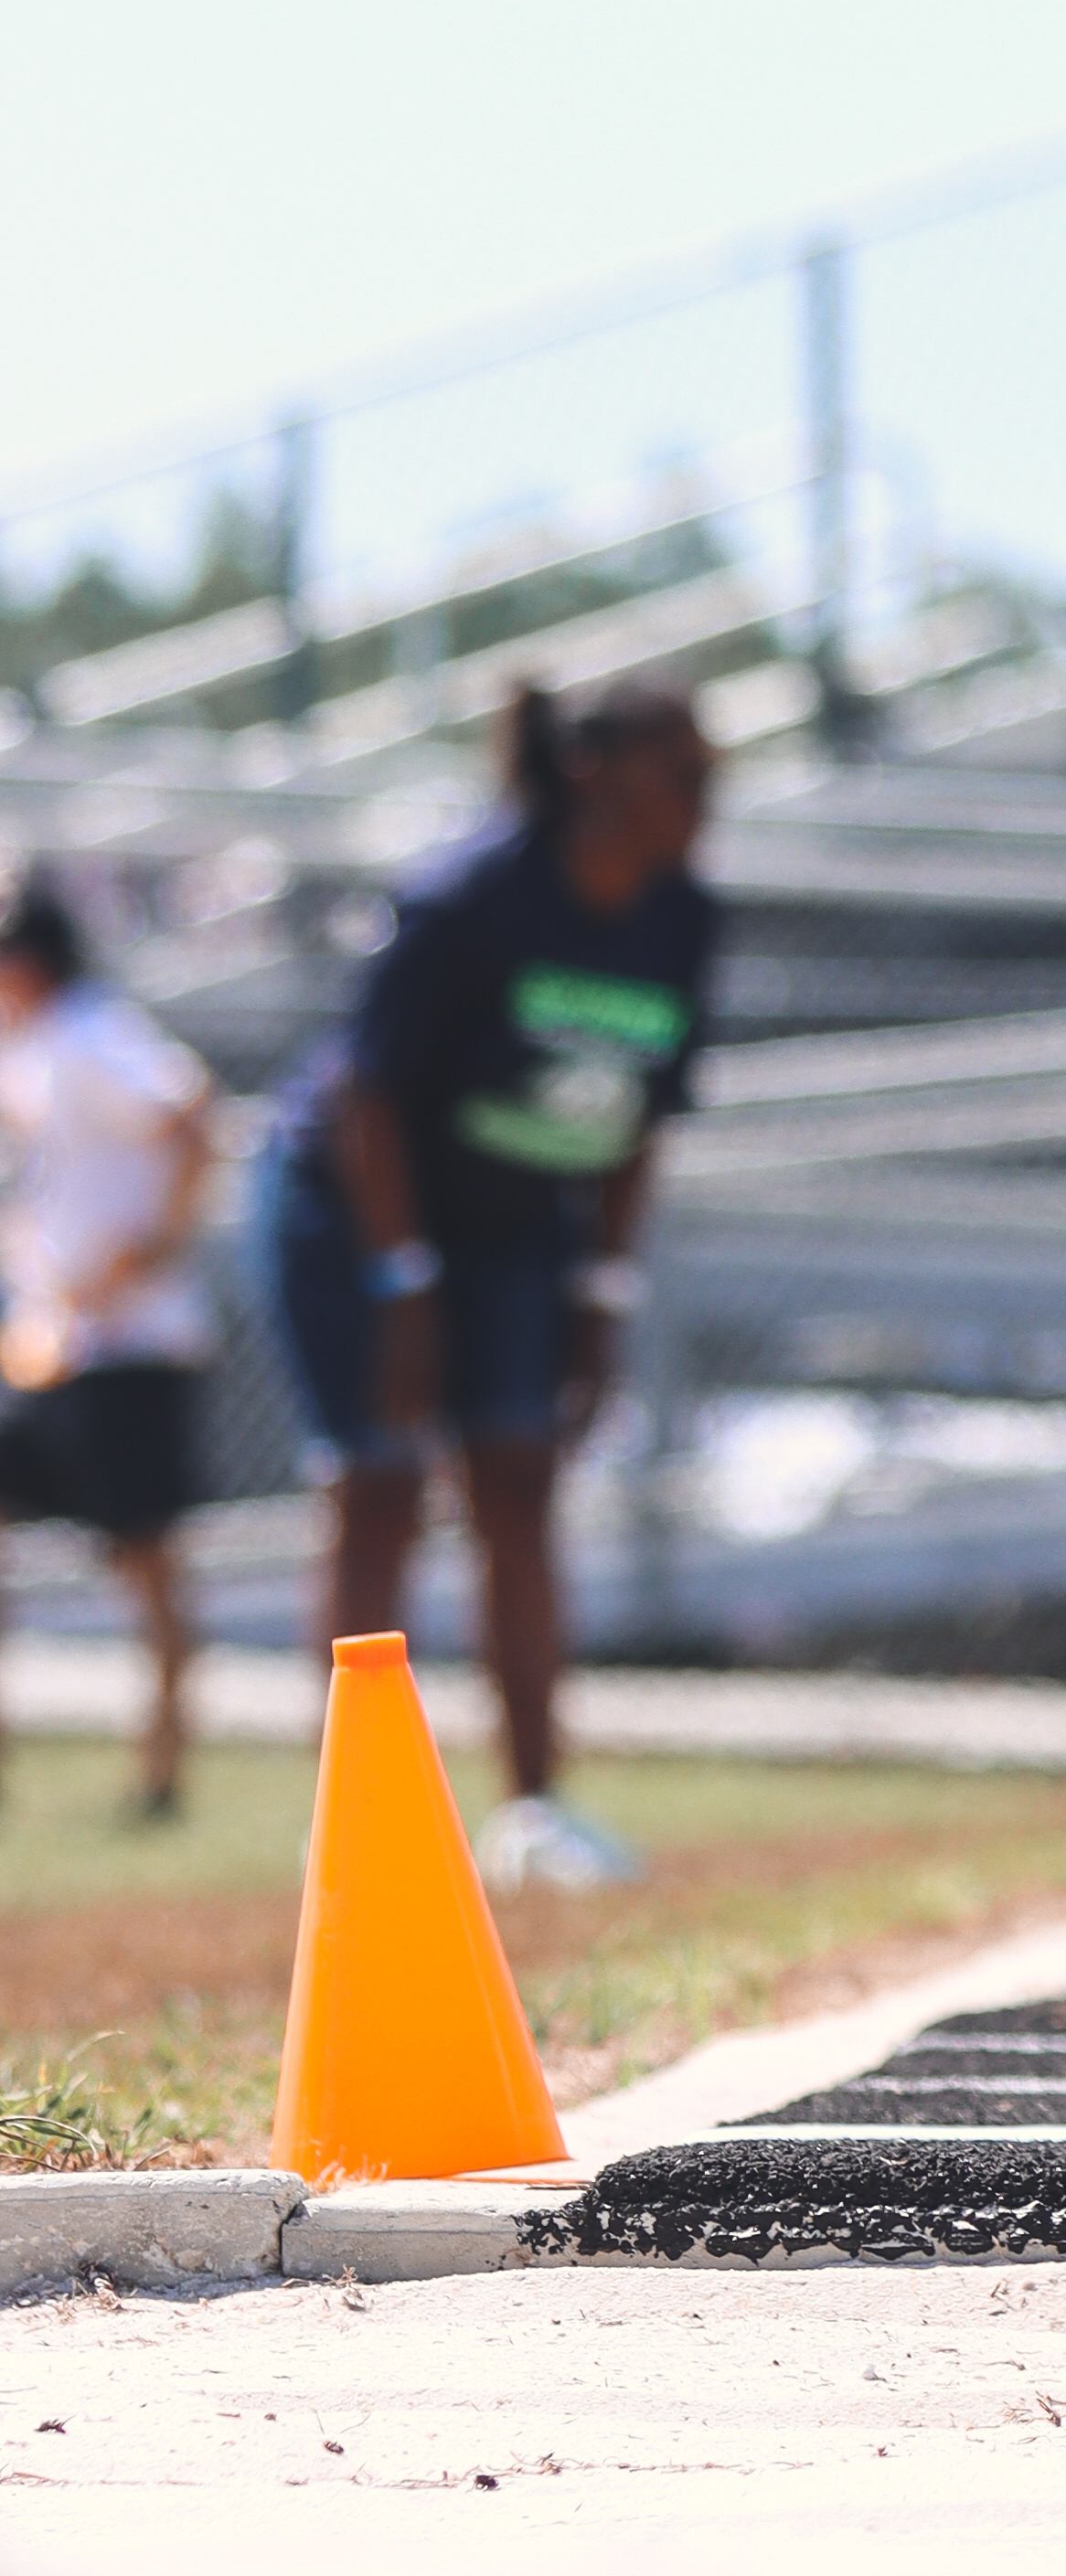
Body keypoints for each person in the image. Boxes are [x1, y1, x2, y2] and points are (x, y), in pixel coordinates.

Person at [250, 678, 718, 1889]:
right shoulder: (470, 899)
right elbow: (367, 1097)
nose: (704, 801)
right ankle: (350, 1831)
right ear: (593, 777)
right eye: (683, 776)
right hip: (357, 1210)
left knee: (517, 1484)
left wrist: (603, 1294)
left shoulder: (684, 918)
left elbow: (638, 1116)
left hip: (518, 1227)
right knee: (382, 1486)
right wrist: (402, 1281)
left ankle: (536, 1813)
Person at [0, 868, 219, 1819]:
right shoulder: (32, 1047)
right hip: (54, 1344)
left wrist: (154, 1248)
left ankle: (161, 1770)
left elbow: (192, 1116)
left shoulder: (91, 1032)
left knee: (146, 1561)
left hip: (128, 1345)